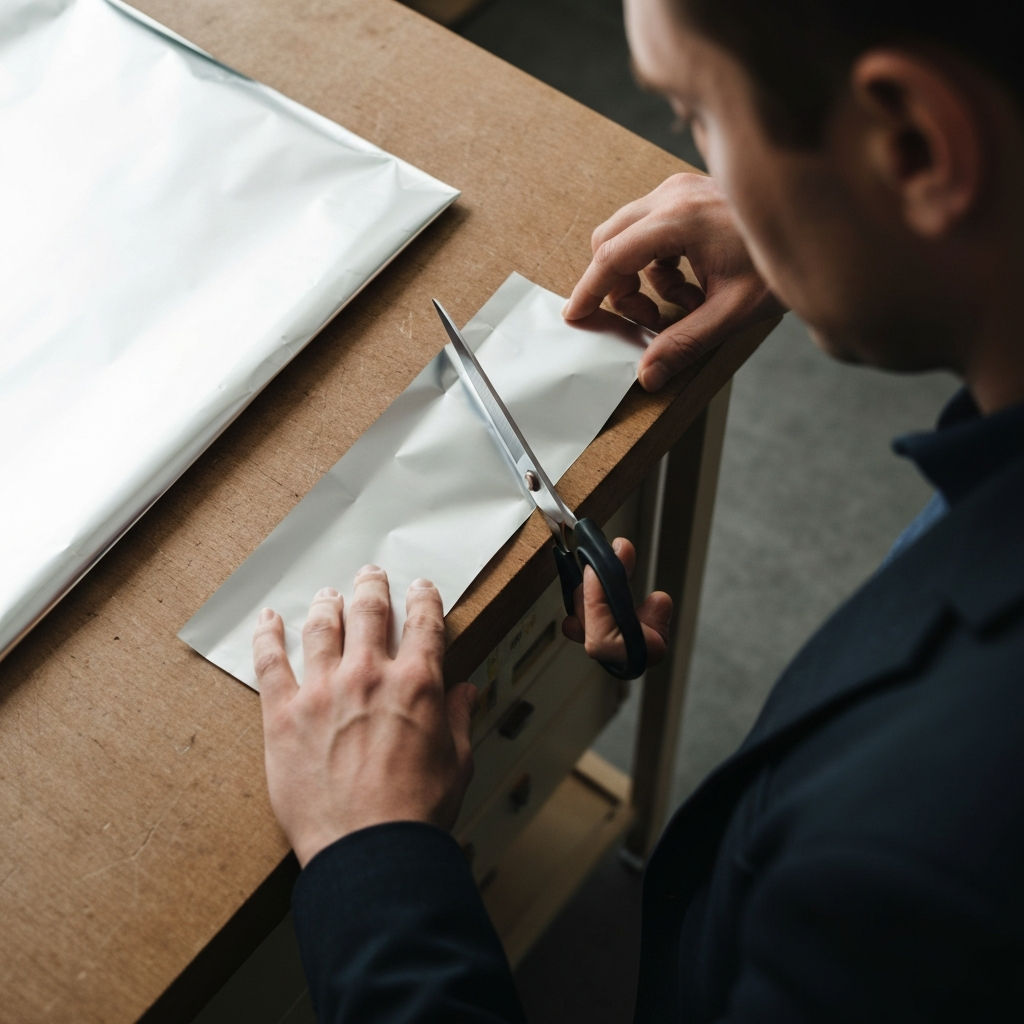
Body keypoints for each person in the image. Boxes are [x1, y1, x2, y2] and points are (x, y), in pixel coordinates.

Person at [251, 0, 1024, 1018]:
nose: (696, 170)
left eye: (696, 113)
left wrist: (373, 860)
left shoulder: (902, 864)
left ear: (916, 145)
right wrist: (821, 214)